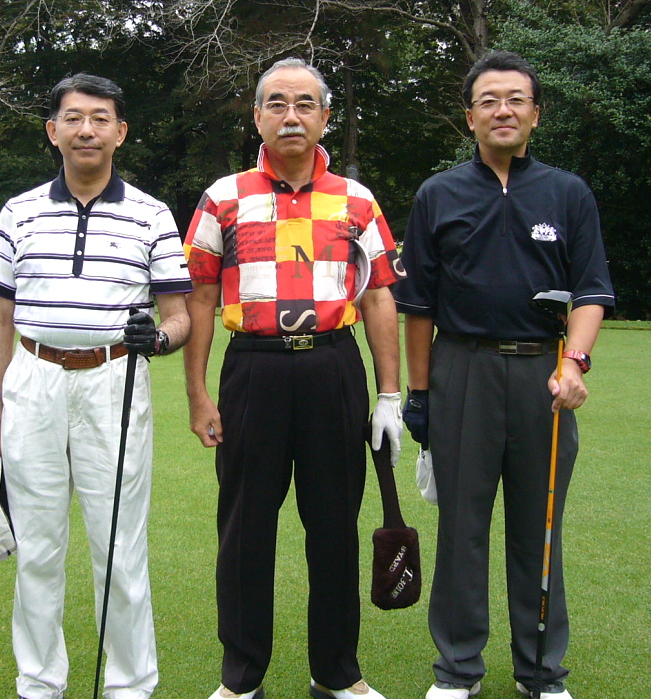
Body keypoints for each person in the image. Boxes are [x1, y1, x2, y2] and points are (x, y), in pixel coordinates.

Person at [393, 50, 615, 699]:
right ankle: (457, 669)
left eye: (516, 99)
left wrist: (574, 362)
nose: (503, 110)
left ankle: (540, 670)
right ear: (470, 117)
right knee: (461, 527)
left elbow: (591, 291)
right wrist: (419, 393)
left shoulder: (568, 193)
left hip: (543, 375)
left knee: (537, 526)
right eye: (488, 100)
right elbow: (418, 306)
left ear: (535, 114)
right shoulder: (439, 194)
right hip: (462, 368)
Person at [183, 57, 406, 699]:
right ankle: (241, 676)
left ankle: (337, 673)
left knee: (334, 526)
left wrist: (390, 395)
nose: (291, 115)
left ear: (325, 116)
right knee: (245, 528)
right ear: (257, 116)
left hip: (333, 367)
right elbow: (200, 297)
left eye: (305, 103)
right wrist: (197, 394)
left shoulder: (357, 200)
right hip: (252, 369)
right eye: (276, 103)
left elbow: (380, 297)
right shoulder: (223, 197)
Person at [0, 73, 191, 699]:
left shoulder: (151, 214)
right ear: (53, 131)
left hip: (114, 379)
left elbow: (178, 314)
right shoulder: (18, 212)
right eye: (73, 118)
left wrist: (161, 339)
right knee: (38, 547)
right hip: (33, 379)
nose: (86, 130)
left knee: (119, 545)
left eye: (100, 119)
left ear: (120, 132)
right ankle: (39, 681)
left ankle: (130, 684)